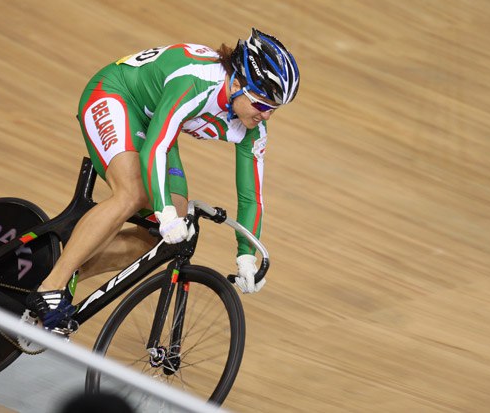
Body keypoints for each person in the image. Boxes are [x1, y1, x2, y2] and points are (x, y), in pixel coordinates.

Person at [26, 28, 300, 331]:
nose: (266, 116)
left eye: (273, 109)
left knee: (164, 236)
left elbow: (252, 197)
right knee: (132, 195)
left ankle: (69, 269)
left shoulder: (253, 128)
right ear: (237, 83)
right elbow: (155, 147)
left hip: (154, 118)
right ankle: (50, 287)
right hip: (115, 95)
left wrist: (245, 255)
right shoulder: (197, 82)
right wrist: (163, 210)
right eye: (261, 105)